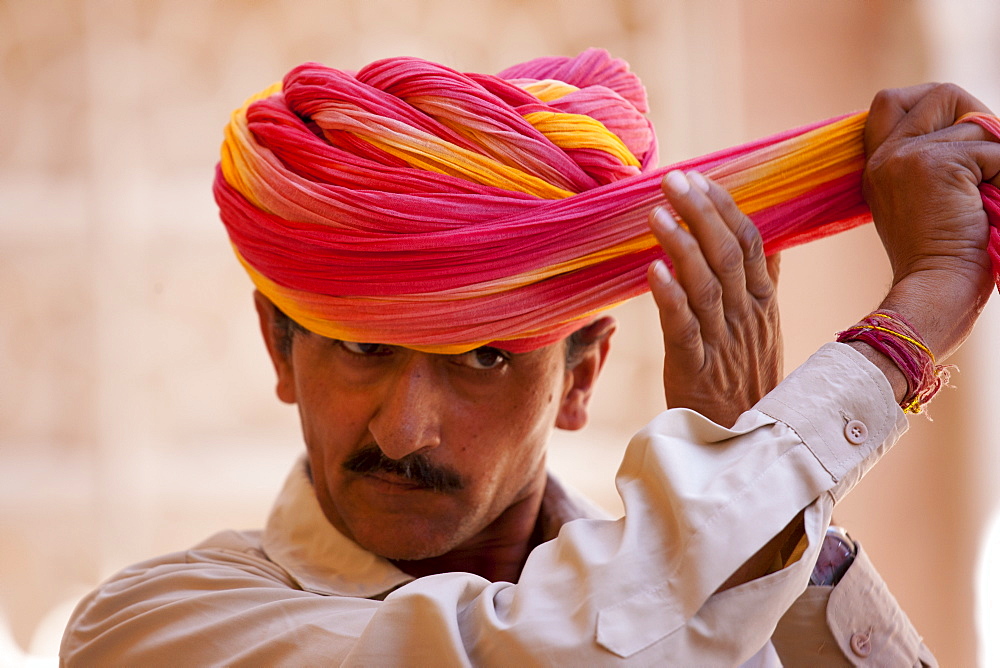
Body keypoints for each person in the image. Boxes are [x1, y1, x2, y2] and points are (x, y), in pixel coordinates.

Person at [60, 47, 999, 665]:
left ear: (582, 374)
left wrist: (759, 495)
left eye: (481, 358)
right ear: (280, 343)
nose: (402, 426)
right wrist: (897, 341)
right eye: (359, 347)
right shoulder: (156, 627)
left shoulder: (755, 578)